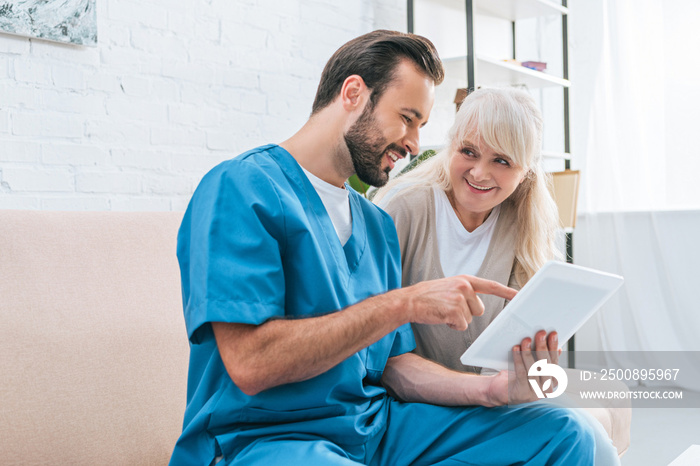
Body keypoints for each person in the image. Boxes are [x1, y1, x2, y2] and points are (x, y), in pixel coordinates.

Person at [171, 31, 596, 465]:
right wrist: (403, 303)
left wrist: (492, 390)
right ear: (354, 93)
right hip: (268, 440)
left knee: (565, 434)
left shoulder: (374, 225)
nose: (415, 144)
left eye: (422, 127)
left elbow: (395, 365)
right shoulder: (240, 188)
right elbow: (251, 363)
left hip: (377, 431)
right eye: (407, 118)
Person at [374, 87, 621, 464]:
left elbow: (513, 350)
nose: (479, 172)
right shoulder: (404, 208)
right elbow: (382, 360)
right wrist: (490, 390)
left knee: (608, 409)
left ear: (524, 172)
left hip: (491, 396)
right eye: (468, 151)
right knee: (589, 439)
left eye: (502, 161)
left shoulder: (521, 221)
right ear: (450, 145)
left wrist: (531, 367)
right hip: (418, 404)